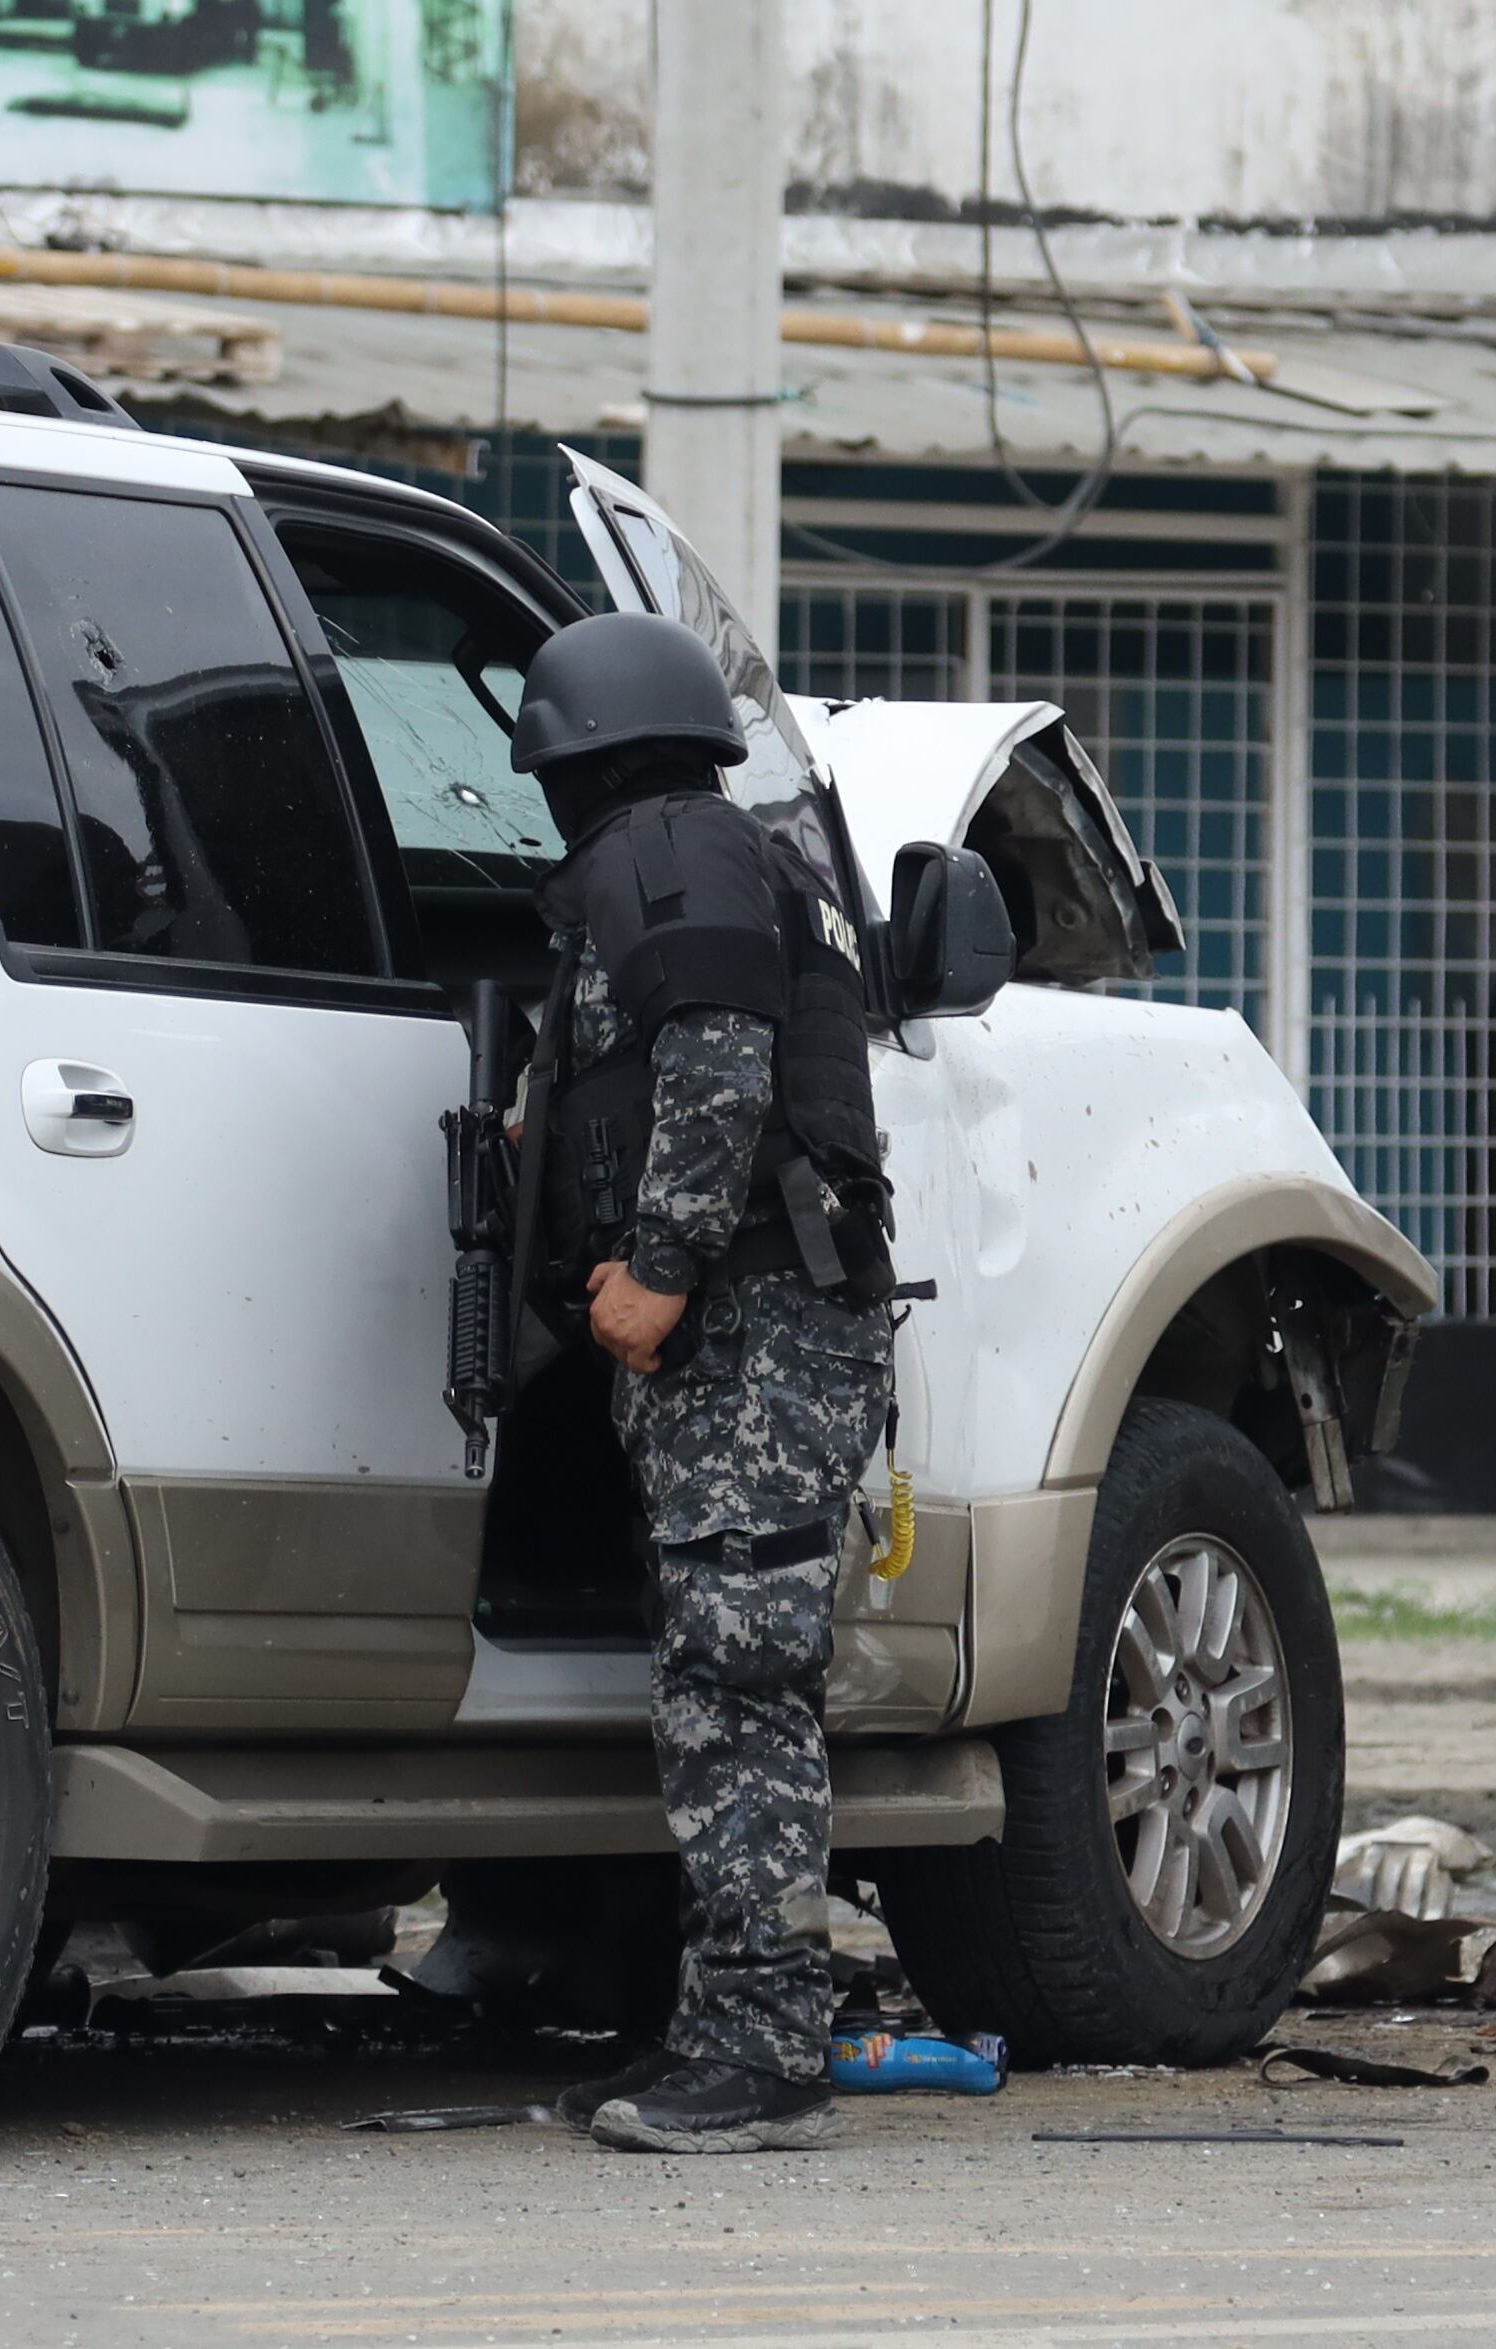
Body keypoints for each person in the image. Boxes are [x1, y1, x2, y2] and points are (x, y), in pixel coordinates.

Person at [505, 612, 896, 2155]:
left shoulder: (669, 849)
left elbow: (722, 1050)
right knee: (719, 1676)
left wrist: (661, 1258)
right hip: (748, 1332)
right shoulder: (707, 850)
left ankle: (761, 2048)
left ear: (583, 755)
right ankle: (725, 2025)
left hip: (755, 1327)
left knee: (738, 1683)